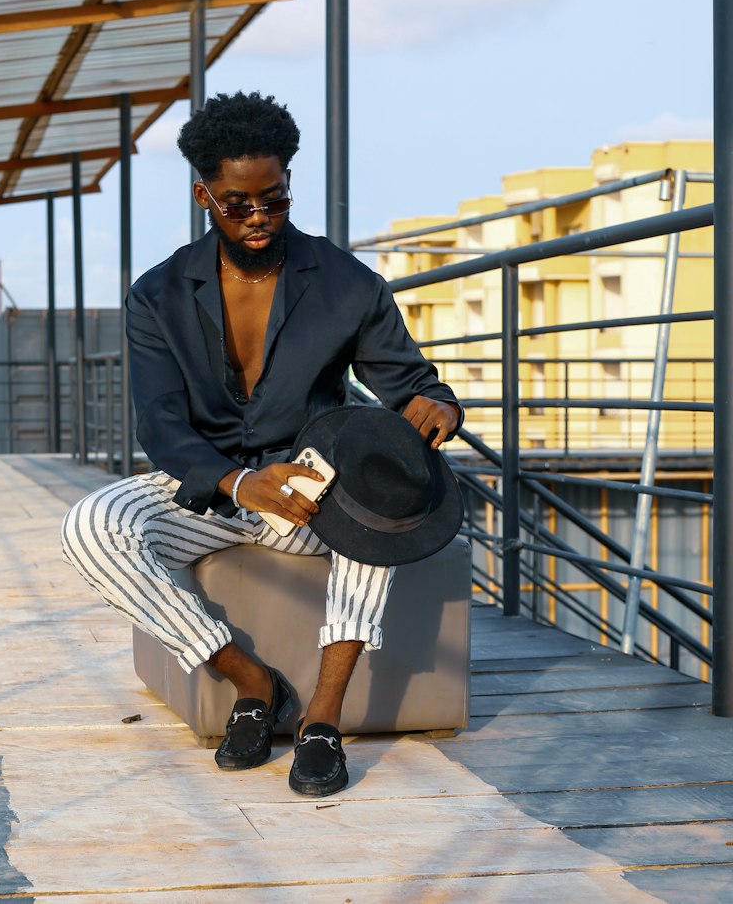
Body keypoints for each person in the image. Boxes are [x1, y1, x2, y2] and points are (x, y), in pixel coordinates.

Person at [61, 90, 462, 796]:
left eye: (272, 200)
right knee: (90, 527)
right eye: (236, 203)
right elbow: (159, 423)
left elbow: (411, 382)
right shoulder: (156, 295)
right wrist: (238, 483)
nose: (256, 218)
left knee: (379, 512)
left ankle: (322, 722)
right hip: (209, 488)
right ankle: (252, 684)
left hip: (312, 490)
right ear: (203, 195)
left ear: (287, 187)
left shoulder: (346, 283)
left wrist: (438, 405)